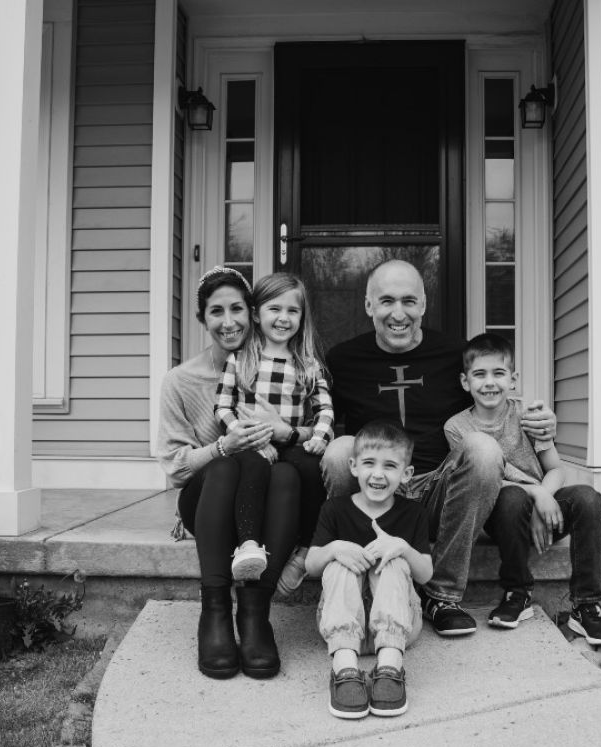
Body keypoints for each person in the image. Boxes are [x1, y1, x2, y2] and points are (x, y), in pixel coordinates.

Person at [322, 259, 557, 637]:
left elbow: (494, 397)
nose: (398, 313)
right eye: (386, 301)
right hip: (375, 486)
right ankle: (358, 579)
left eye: (409, 301)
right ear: (368, 306)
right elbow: (320, 422)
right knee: (339, 450)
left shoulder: (453, 355)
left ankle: (441, 594)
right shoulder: (343, 359)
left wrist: (539, 418)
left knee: (481, 449)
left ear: (424, 304)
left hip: (437, 489)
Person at [157, 266, 314, 681]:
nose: (229, 322)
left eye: (237, 309)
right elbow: (174, 468)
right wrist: (225, 445)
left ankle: (255, 614)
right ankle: (214, 612)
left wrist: (284, 431)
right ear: (202, 319)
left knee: (285, 477)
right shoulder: (180, 381)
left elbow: (318, 438)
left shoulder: (291, 368)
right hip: (209, 499)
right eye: (216, 312)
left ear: (253, 311)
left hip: (269, 500)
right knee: (227, 465)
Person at [445, 333, 601, 644]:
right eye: (479, 374)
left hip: (544, 506)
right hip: (503, 514)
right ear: (464, 381)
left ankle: (587, 605)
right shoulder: (457, 427)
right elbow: (488, 482)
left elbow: (555, 469)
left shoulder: (529, 416)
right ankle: (517, 592)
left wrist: (544, 498)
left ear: (513, 378)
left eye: (498, 373)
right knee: (511, 497)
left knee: (588, 498)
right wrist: (535, 493)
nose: (489, 383)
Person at [306, 421, 433, 719]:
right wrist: (336, 547)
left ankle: (390, 667)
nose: (378, 474)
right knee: (338, 561)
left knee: (394, 560)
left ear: (406, 474)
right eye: (369, 464)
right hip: (341, 625)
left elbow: (426, 574)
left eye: (390, 465)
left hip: (396, 629)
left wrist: (400, 546)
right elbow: (312, 565)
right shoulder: (335, 509)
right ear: (353, 466)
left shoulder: (413, 513)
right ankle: (345, 669)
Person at [214, 273, 333, 583]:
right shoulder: (240, 358)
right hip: (250, 443)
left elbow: (325, 409)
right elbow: (223, 406)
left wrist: (320, 437)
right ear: (256, 314)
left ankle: (307, 547)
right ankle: (249, 545)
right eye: (274, 309)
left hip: (291, 442)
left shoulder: (307, 363)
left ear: (302, 316)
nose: (284, 318)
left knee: (311, 469)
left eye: (293, 311)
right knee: (251, 468)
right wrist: (250, 436)